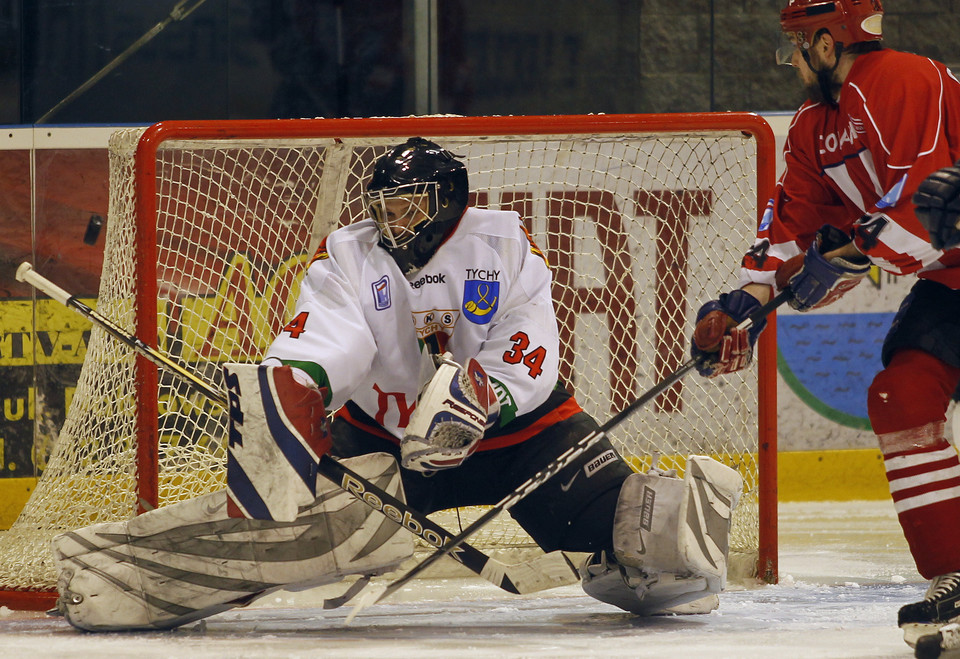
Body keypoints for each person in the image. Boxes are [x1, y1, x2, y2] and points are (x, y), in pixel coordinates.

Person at [52, 137, 743, 632]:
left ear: (448, 202)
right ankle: (134, 574)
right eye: (385, 207)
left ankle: (629, 557)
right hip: (386, 445)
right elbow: (329, 334)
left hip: (524, 440)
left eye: (409, 206)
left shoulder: (503, 246)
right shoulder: (351, 255)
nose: (393, 221)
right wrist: (302, 386)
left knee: (649, 538)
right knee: (286, 539)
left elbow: (528, 352)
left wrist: (480, 399)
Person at [688, 0, 960, 651]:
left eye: (795, 47)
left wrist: (844, 257)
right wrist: (746, 303)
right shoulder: (813, 124)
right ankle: (955, 575)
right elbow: (792, 222)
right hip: (951, 280)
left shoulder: (904, 80)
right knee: (901, 395)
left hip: (944, 259)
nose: (792, 62)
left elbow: (931, 202)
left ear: (827, 40)